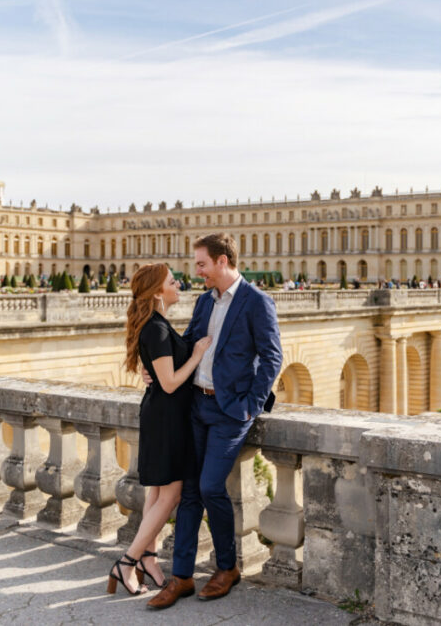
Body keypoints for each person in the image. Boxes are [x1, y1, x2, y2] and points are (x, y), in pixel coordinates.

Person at [147, 233, 282, 610]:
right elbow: (188, 342)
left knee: (209, 487)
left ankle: (227, 566)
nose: (197, 272)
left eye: (202, 264)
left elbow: (272, 358)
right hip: (196, 406)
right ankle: (182, 577)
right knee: (190, 492)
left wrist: (249, 406)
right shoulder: (206, 301)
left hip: (229, 412)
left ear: (223, 261)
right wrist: (157, 370)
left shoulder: (257, 302)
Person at [107, 264, 212, 597]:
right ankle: (127, 562)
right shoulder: (157, 328)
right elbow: (169, 383)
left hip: (162, 415)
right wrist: (196, 354)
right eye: (171, 281)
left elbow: (159, 370)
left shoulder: (156, 326)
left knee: (157, 492)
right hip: (167, 417)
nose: (177, 284)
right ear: (156, 292)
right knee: (171, 494)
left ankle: (148, 559)